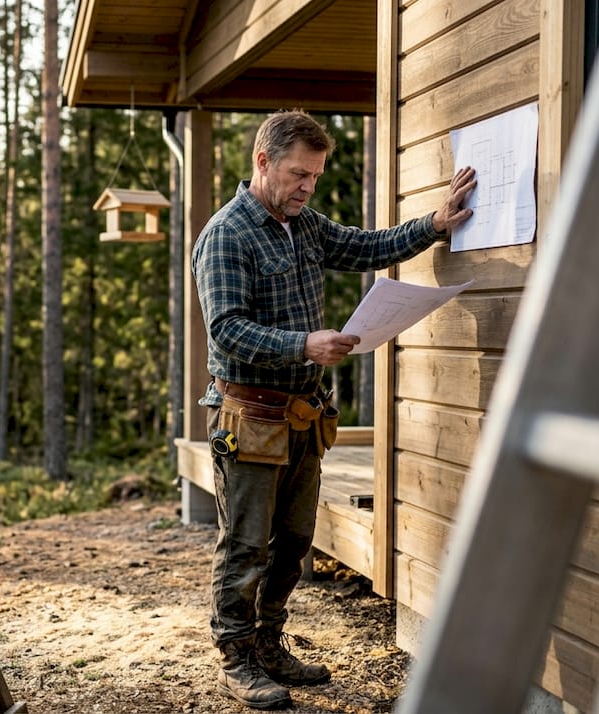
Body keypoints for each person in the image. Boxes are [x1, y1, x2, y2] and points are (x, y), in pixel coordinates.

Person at [192, 109, 476, 710]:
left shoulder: (304, 223)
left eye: (315, 177)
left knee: (294, 539)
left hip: (304, 416)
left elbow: (365, 246)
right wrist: (304, 345)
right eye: (299, 174)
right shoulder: (227, 234)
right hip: (250, 419)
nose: (307, 187)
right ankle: (237, 658)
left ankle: (269, 644)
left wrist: (432, 223)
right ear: (263, 162)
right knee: (246, 544)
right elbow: (227, 332)